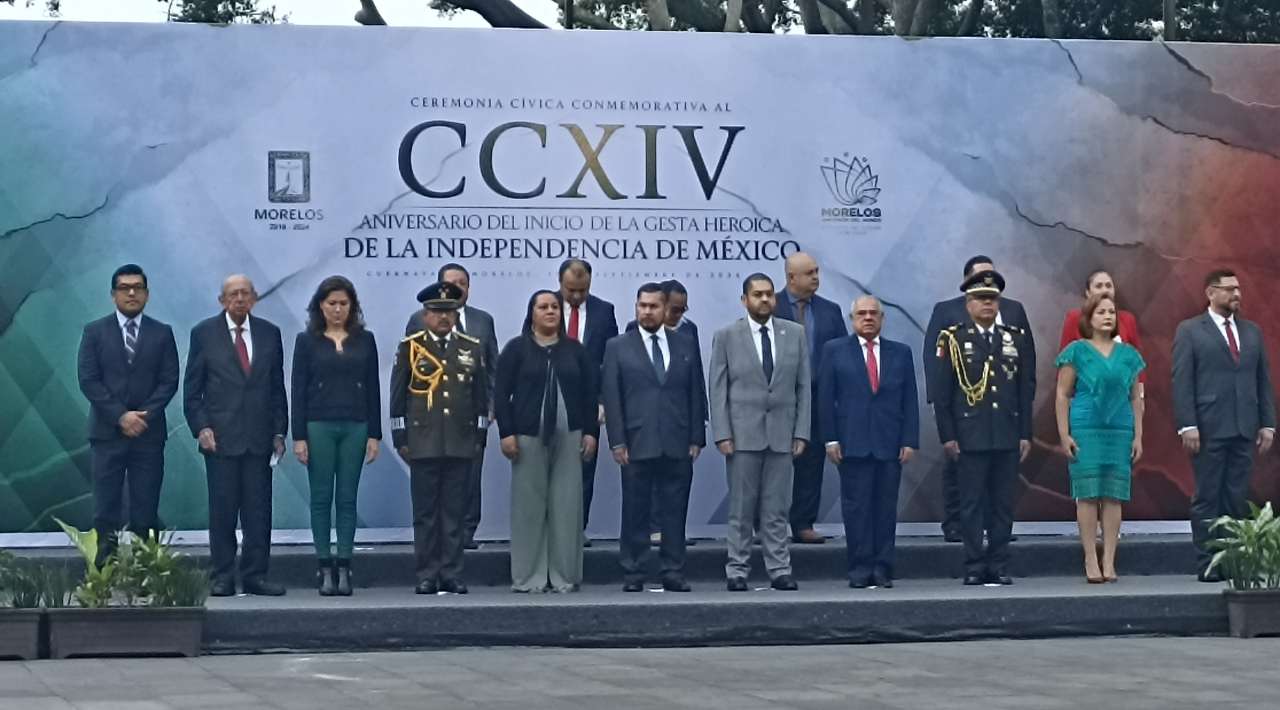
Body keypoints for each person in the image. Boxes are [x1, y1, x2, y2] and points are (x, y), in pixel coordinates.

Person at [183, 275, 288, 597]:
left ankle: (256, 575)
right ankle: (223, 575)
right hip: (220, 440)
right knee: (223, 512)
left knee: (259, 513)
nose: (239, 299)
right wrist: (201, 428)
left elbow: (276, 388)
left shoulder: (270, 334)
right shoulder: (203, 334)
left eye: (245, 293)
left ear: (254, 299)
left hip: (259, 439)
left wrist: (280, 431)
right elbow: (192, 391)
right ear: (222, 300)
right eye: (233, 294)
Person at [1171, 269, 1275, 582]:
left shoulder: (1252, 332)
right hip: (1208, 427)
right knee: (1208, 497)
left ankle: (1233, 561)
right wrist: (1187, 424)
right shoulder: (1190, 330)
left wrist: (1268, 424)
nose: (1237, 295)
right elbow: (1182, 380)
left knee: (1236, 497)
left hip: (1244, 425)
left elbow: (1262, 381)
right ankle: (1208, 562)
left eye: (1239, 289)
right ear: (1210, 293)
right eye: (1229, 289)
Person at [601, 283, 706, 592]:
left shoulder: (685, 343)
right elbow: (612, 396)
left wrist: (697, 437)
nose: (647, 311)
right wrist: (617, 441)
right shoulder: (618, 346)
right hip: (636, 441)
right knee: (636, 511)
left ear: (665, 309)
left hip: (677, 439)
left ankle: (673, 570)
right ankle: (634, 572)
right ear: (636, 307)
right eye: (642, 305)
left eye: (653, 306)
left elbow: (695, 391)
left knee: (675, 510)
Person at [924, 255, 1036, 542]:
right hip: (965, 414)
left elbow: (1026, 365)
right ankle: (955, 524)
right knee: (960, 478)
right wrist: (940, 407)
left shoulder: (1013, 310)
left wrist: (1023, 419)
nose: (987, 296)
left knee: (1001, 486)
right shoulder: (947, 312)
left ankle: (997, 535)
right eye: (979, 282)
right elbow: (934, 361)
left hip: (1002, 416)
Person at [494, 290, 599, 593]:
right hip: (526, 436)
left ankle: (564, 577)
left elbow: (590, 396)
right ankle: (529, 578)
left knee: (567, 506)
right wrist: (506, 433)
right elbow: (501, 395)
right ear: (532, 313)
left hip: (570, 436)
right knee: (529, 508)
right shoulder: (516, 350)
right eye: (543, 307)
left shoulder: (576, 351)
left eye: (555, 307)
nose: (550, 311)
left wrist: (591, 432)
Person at [709, 273, 810, 592]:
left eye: (769, 294)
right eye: (757, 295)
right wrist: (722, 432)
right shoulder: (727, 335)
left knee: (777, 507)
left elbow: (803, 386)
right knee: (741, 507)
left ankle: (779, 568)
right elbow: (717, 387)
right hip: (742, 435)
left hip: (782, 433)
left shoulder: (794, 333)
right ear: (745, 300)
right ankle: (737, 569)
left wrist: (802, 431)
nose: (764, 300)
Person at [76, 264, 179, 566]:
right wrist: (121, 416)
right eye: (124, 288)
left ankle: (146, 575)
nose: (131, 293)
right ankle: (103, 575)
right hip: (107, 435)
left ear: (146, 294)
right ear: (113, 295)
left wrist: (142, 417)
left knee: (145, 509)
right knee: (105, 509)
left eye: (137, 287)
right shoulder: (95, 332)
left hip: (148, 436)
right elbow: (89, 380)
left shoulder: (162, 333)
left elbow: (168, 380)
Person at [391, 281, 489, 595]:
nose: (443, 318)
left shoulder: (470, 346)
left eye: (449, 311)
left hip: (460, 441)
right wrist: (400, 437)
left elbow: (480, 399)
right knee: (425, 514)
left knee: (454, 513)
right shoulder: (411, 346)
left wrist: (480, 436)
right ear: (425, 314)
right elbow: (397, 398)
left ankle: (451, 573)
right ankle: (427, 573)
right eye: (437, 312)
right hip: (422, 441)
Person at [291, 276, 381, 596]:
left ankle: (345, 563)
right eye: (332, 304)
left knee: (346, 498)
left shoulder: (365, 340)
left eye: (344, 304)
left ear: (352, 306)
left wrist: (375, 434)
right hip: (318, 425)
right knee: (320, 498)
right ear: (320, 306)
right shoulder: (307, 341)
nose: (338, 309)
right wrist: (298, 436)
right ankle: (323, 564)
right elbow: (297, 390)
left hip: (356, 425)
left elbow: (373, 388)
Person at [820, 296, 919, 589]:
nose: (867, 318)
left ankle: (883, 567)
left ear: (882, 318)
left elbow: (909, 400)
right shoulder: (835, 351)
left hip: (890, 443)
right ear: (852, 319)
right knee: (857, 508)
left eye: (873, 313)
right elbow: (825, 399)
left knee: (886, 509)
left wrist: (909, 440)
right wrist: (830, 439)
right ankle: (860, 567)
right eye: (861, 314)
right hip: (852, 443)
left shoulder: (900, 353)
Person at [405, 263, 498, 550]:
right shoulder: (418, 320)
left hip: (469, 415)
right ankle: (436, 542)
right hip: (431, 418)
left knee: (470, 478)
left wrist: (490, 406)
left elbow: (492, 368)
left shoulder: (483, 321)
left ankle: (466, 532)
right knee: (434, 486)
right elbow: (409, 372)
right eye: (452, 282)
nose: (458, 288)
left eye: (463, 283)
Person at [1055, 294, 1145, 584]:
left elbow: (1136, 399)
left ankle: (1109, 560)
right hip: (1085, 427)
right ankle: (1090, 558)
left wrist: (1138, 435)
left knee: (1114, 495)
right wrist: (1064, 433)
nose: (1108, 316)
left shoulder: (1129, 355)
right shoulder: (1076, 351)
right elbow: (1062, 394)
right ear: (1088, 318)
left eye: (1111, 312)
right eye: (1101, 312)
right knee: (1088, 493)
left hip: (1119, 430)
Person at [626, 279, 706, 546]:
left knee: (676, 484)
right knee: (645, 486)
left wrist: (699, 423)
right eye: (674, 309)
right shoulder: (632, 333)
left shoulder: (688, 331)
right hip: (645, 421)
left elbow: (695, 378)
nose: (678, 315)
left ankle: (674, 532)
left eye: (683, 310)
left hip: (677, 419)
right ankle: (652, 529)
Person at [774, 252, 847, 544]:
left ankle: (803, 522)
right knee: (773, 463)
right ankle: (765, 525)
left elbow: (843, 354)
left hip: (818, 398)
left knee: (812, 461)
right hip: (778, 398)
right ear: (792, 278)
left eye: (817, 271)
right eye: (809, 273)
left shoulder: (830, 311)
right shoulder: (770, 305)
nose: (816, 277)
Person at [557, 258, 618, 540]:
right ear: (561, 284)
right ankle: (551, 530)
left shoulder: (604, 312)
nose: (577, 296)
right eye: (571, 290)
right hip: (552, 399)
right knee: (552, 469)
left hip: (588, 402)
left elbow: (611, 360)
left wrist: (604, 401)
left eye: (583, 290)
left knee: (584, 470)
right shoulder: (545, 306)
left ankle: (575, 531)